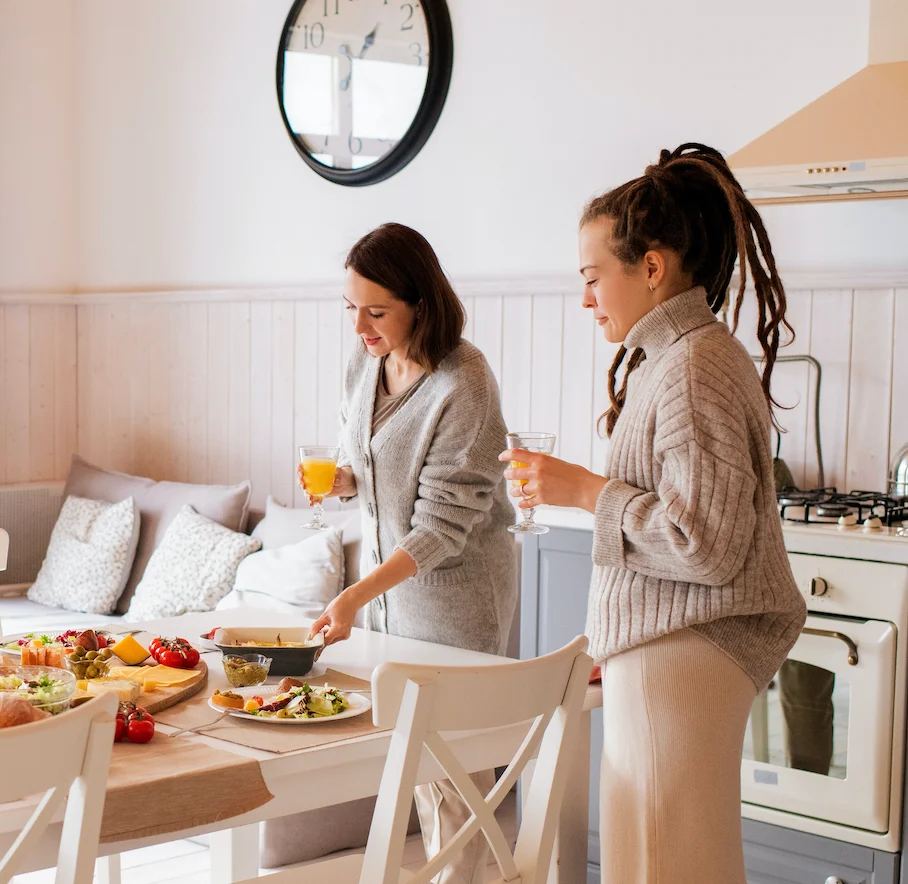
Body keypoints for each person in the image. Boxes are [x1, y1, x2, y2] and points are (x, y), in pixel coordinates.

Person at [502, 143, 805, 882]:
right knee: (661, 862)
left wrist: (585, 491)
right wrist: (615, 638)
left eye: (591, 277)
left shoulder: (693, 365)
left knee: (665, 866)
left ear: (652, 267)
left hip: (685, 659)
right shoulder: (677, 359)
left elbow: (705, 545)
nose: (586, 299)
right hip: (668, 655)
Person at [307, 222, 517, 883]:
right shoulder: (365, 364)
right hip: (387, 603)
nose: (359, 327)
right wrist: (342, 482)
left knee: (454, 778)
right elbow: (367, 466)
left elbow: (441, 527)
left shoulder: (464, 382)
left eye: (376, 312)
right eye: (351, 308)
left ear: (420, 303)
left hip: (452, 605)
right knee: (416, 771)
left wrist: (352, 594)